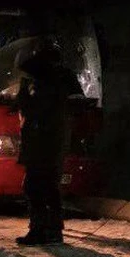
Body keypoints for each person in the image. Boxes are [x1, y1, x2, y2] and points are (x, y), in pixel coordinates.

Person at [15, 40, 84, 245]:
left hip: (40, 142)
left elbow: (29, 108)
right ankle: (54, 230)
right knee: (50, 186)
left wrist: (23, 90)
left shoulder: (44, 82)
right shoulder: (65, 79)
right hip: (56, 141)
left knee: (33, 186)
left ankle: (38, 229)